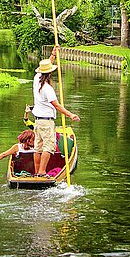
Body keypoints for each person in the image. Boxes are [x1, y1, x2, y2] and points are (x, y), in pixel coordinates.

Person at [32, 45, 80, 177]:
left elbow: (45, 67)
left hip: (37, 121)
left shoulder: (36, 80)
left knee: (38, 147)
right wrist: (71, 115)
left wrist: (53, 55)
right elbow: (57, 106)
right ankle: (41, 172)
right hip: (46, 122)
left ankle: (37, 172)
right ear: (50, 73)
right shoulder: (47, 89)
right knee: (49, 147)